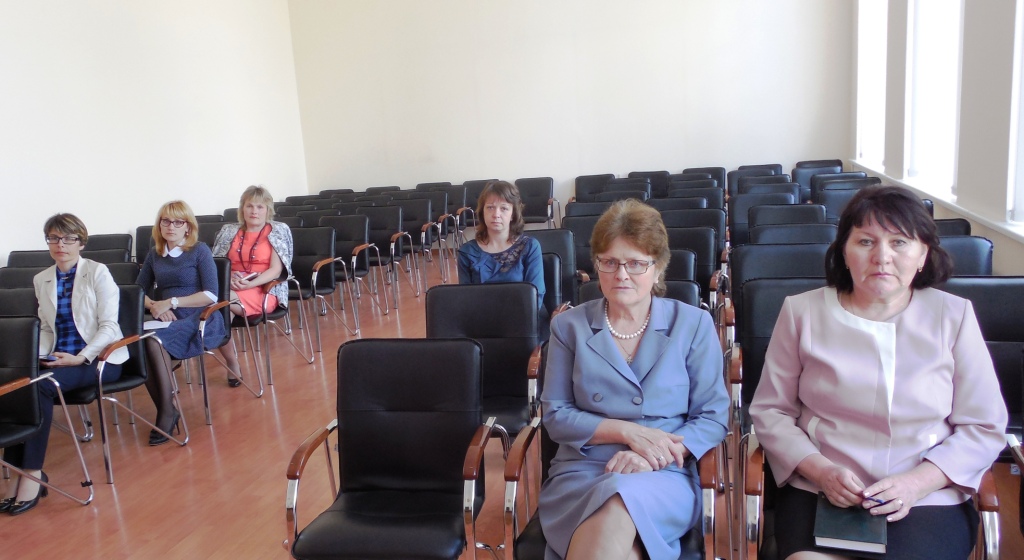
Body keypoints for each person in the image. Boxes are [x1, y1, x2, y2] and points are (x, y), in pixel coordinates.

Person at [749, 185, 1007, 560]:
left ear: (923, 254)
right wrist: (821, 471)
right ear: (844, 251)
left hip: (926, 495)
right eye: (866, 241)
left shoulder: (953, 315)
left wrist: (917, 483)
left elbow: (984, 425)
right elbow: (771, 411)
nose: (882, 257)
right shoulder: (801, 312)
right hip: (822, 489)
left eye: (899, 242)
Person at [538, 199, 729, 560]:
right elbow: (556, 415)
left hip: (664, 470)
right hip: (584, 470)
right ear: (596, 266)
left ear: (658, 269)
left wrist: (654, 456)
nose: (621, 274)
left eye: (636, 263)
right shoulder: (568, 327)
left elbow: (713, 417)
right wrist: (627, 433)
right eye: (609, 262)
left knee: (620, 502)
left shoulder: (693, 324)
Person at [1, 214, 127, 516]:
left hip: (99, 358)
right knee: (19, 386)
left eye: (69, 238)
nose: (61, 244)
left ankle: (32, 473)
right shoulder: (41, 279)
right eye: (54, 238)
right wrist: (38, 356)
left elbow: (109, 326)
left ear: (81, 242)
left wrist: (81, 357)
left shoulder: (97, 272)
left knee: (41, 387)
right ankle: (17, 475)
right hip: (60, 358)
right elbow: (46, 327)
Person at [137, 200, 236, 446]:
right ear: (159, 225)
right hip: (167, 317)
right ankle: (168, 407)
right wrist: (155, 306)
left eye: (178, 222)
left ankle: (166, 413)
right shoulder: (155, 254)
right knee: (141, 343)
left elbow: (211, 295)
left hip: (201, 316)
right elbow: (138, 291)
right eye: (166, 221)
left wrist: (171, 302)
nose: (171, 226)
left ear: (188, 227)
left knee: (153, 343)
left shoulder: (199, 251)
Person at [211, 185, 293, 372]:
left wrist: (250, 283)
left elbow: (275, 270)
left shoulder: (277, 231)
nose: (254, 211)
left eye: (259, 207)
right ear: (242, 209)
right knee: (221, 313)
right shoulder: (229, 231)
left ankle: (230, 362)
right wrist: (229, 278)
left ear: (268, 210)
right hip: (231, 286)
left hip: (264, 289)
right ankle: (232, 362)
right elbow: (217, 263)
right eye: (249, 206)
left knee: (217, 304)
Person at [457, 180, 546, 315]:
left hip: (522, 318)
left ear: (513, 214)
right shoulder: (467, 252)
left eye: (504, 208)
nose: (496, 214)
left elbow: (536, 296)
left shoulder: (530, 247)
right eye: (490, 207)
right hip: (482, 320)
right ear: (482, 212)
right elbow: (465, 300)